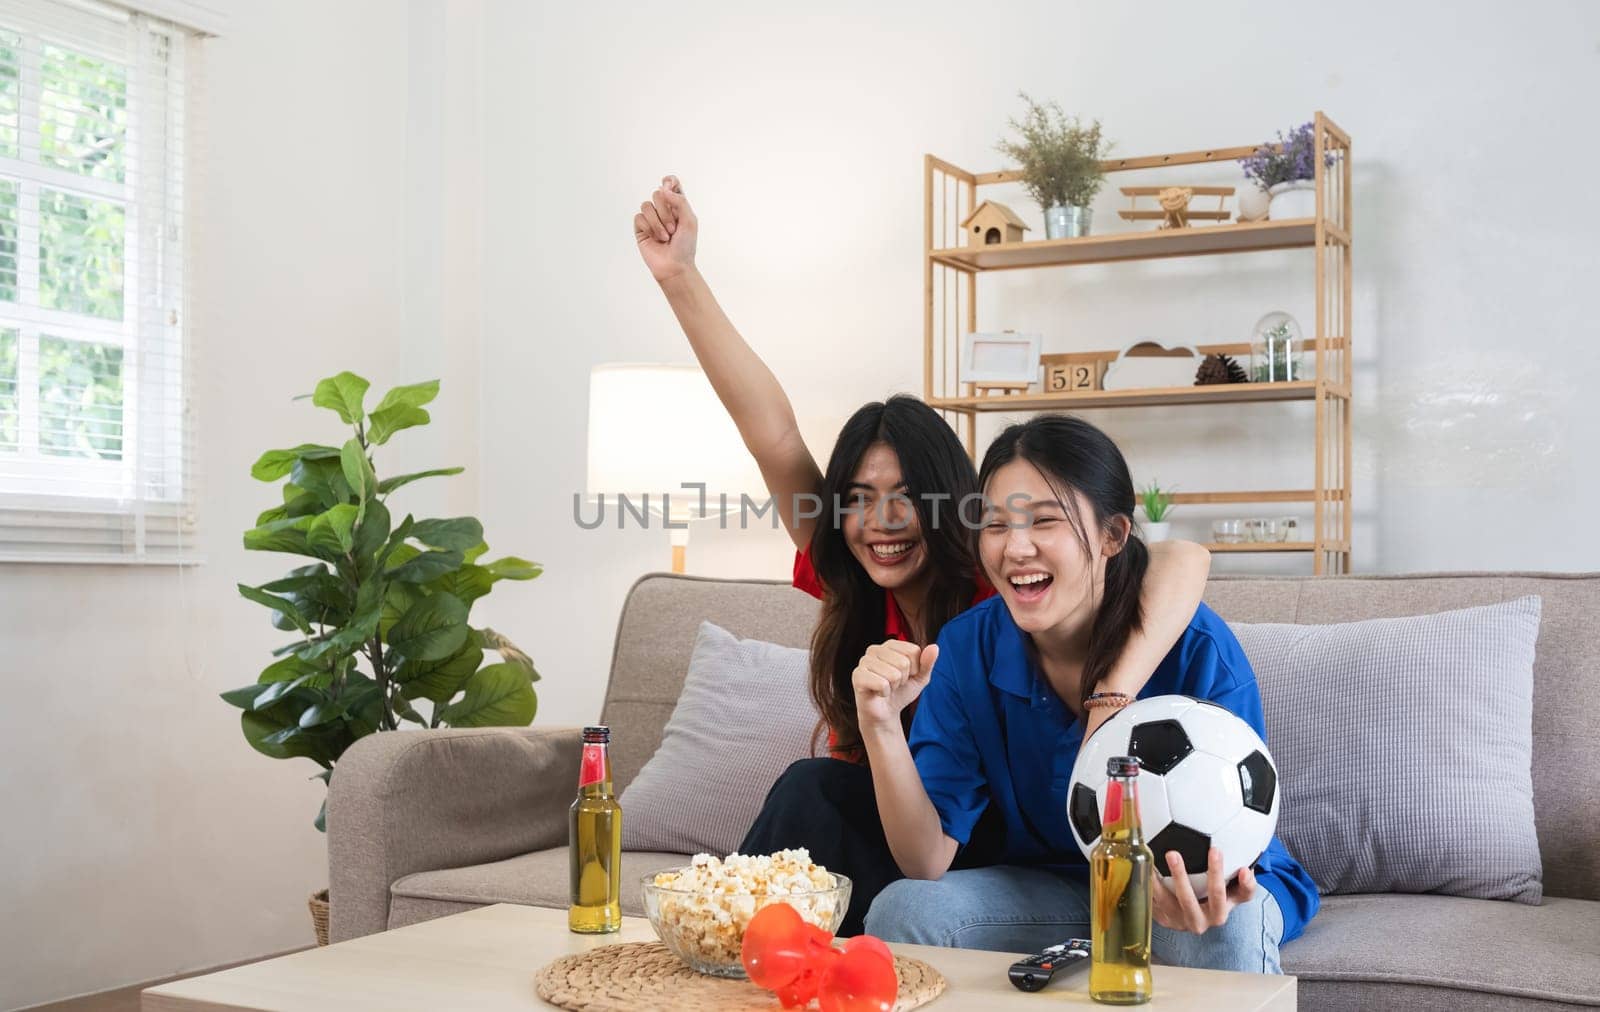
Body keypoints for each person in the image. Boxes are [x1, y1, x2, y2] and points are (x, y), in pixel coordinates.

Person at [634, 176, 1214, 934]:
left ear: (953, 503)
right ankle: (734, 949)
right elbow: (771, 433)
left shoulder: (1000, 579)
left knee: (813, 793)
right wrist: (680, 277)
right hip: (909, 842)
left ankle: (726, 946)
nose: (881, 521)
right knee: (816, 793)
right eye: (860, 497)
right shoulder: (853, 572)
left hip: (992, 847)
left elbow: (1178, 560)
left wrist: (1113, 694)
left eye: (905, 494)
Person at [854, 414, 1319, 972]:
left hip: (1194, 888)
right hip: (1059, 889)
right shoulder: (968, 647)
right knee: (903, 910)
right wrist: (879, 723)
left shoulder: (1197, 647)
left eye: (1045, 521)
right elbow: (925, 860)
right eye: (996, 525)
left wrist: (1187, 893)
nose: (1015, 548)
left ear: (1112, 535)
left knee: (1218, 932)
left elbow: (1230, 850)